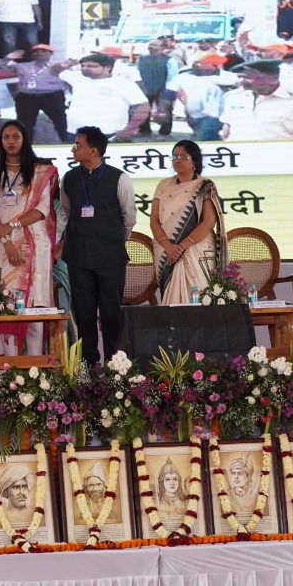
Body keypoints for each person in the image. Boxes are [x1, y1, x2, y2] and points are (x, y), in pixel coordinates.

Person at [57, 127, 136, 365]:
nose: (73, 149)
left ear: (93, 150)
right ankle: (89, 363)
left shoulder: (119, 178)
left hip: (110, 256)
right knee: (84, 312)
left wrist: (113, 240)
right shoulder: (69, 178)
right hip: (78, 256)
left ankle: (115, 363)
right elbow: (65, 214)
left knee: (111, 311)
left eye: (78, 145)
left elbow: (129, 217)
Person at [0, 121, 58, 354]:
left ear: (24, 139)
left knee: (34, 307)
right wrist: (7, 241)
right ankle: (10, 367)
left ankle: (34, 366)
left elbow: (42, 209)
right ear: (0, 141)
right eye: (6, 137)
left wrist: (12, 225)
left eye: (16, 136)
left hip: (34, 247)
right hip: (0, 247)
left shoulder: (39, 171)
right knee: (7, 307)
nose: (11, 141)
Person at [150, 140, 227, 304]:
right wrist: (169, 247)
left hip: (195, 249)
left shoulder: (205, 186)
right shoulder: (163, 185)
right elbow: (154, 221)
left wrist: (181, 247)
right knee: (171, 301)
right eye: (174, 156)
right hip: (166, 251)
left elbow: (208, 222)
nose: (177, 160)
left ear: (195, 161)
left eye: (183, 156)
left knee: (199, 298)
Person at [221, 59, 293, 141]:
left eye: (247, 77)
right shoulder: (233, 97)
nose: (241, 82)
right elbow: (227, 129)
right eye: (240, 77)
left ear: (272, 77)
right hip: (241, 160)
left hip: (283, 161)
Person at [58, 54, 151, 140]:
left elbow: (143, 106)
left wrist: (130, 129)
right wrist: (67, 64)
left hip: (108, 134)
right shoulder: (77, 78)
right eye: (82, 66)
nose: (85, 68)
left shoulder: (122, 83)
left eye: (91, 66)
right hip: (74, 133)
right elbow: (55, 71)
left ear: (107, 68)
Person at [0, 45, 71, 143]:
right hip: (28, 97)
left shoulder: (58, 66)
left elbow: (82, 65)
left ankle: (66, 142)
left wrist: (70, 63)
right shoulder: (23, 66)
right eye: (36, 51)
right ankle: (25, 146)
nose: (39, 53)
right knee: (24, 123)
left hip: (52, 96)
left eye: (43, 51)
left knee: (60, 121)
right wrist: (8, 57)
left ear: (51, 53)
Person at [168, 54, 237, 141]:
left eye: (199, 62)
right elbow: (169, 92)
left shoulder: (230, 77)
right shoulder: (183, 77)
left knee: (208, 137)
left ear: (212, 64)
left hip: (221, 115)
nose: (195, 65)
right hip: (196, 116)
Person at [135, 38, 180, 137]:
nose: (151, 47)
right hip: (146, 88)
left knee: (165, 111)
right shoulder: (141, 59)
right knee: (144, 110)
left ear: (163, 47)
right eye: (150, 45)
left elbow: (173, 77)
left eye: (155, 45)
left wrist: (169, 91)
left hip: (164, 89)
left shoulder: (170, 60)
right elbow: (137, 73)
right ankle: (144, 130)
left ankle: (165, 132)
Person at [153, 458, 186, 525]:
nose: (172, 483)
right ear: (161, 482)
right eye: (167, 479)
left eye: (175, 479)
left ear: (179, 481)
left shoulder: (185, 501)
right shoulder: (156, 501)